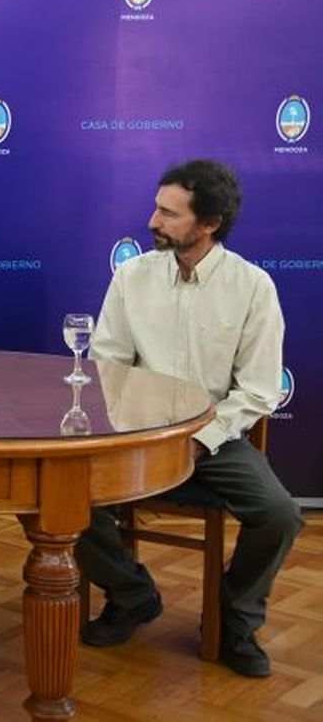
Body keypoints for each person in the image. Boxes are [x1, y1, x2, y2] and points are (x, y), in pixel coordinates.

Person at [77, 159, 303, 677]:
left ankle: (233, 619)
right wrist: (139, 433)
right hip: (139, 436)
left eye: (168, 213)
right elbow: (108, 366)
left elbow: (258, 391)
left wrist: (200, 439)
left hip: (215, 440)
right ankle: (132, 595)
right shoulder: (132, 277)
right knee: (63, 497)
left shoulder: (252, 288)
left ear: (209, 224)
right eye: (156, 207)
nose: (152, 220)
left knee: (279, 514)